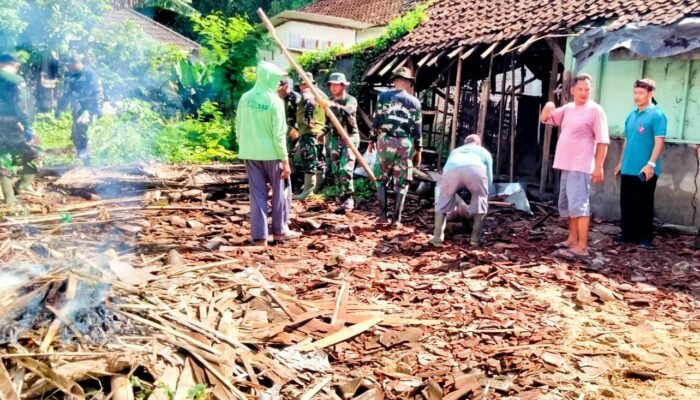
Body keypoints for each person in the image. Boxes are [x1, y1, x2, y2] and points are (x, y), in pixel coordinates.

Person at [541, 73, 609, 258]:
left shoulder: (595, 110)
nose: (584, 92)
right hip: (566, 164)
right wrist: (548, 104)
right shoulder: (569, 108)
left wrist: (599, 166)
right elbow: (545, 119)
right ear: (572, 90)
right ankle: (571, 239)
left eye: (587, 89)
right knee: (570, 205)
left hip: (581, 165)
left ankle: (582, 246)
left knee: (580, 206)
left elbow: (603, 141)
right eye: (580, 89)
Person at [235, 61, 301, 246]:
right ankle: (280, 232)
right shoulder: (274, 101)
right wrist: (285, 161)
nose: (278, 82)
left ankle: (260, 238)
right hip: (273, 155)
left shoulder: (245, 98)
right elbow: (279, 135)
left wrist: (245, 146)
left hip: (251, 153)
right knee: (281, 193)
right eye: (276, 78)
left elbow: (238, 126)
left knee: (257, 195)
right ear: (269, 78)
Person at [613, 79, 666, 249]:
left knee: (643, 203)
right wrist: (621, 162)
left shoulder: (657, 115)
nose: (637, 96)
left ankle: (645, 238)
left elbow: (659, 142)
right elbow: (628, 141)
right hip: (628, 167)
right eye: (635, 93)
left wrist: (651, 164)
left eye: (641, 93)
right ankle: (628, 235)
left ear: (651, 93)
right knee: (626, 202)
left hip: (645, 169)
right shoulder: (632, 115)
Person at [369, 67, 422, 227]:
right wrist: (419, 149)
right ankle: (396, 220)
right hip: (404, 143)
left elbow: (377, 120)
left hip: (385, 141)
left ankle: (382, 216)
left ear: (394, 81)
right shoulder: (415, 102)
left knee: (381, 178)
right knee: (402, 181)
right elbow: (417, 128)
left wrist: (372, 140)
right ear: (408, 83)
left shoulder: (384, 97)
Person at [430, 134, 493, 246]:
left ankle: (437, 239)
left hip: (451, 171)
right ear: (478, 143)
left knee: (443, 202)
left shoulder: (455, 151)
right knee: (480, 202)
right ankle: (475, 240)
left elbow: (450, 168)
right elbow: (489, 177)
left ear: (465, 143)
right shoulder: (484, 152)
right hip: (475, 170)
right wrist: (485, 192)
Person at [0, 53, 40, 205]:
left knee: (3, 158)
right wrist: (27, 126)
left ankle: (9, 200)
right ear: (15, 65)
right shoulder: (16, 80)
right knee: (35, 154)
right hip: (11, 124)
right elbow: (21, 106)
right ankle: (22, 186)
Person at [55, 54, 104, 165]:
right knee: (76, 134)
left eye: (69, 65)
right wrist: (60, 108)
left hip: (90, 109)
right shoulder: (70, 76)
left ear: (76, 63)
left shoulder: (91, 75)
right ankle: (83, 159)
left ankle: (92, 160)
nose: (67, 67)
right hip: (77, 110)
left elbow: (98, 94)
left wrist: (93, 111)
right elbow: (66, 94)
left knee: (85, 130)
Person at [325, 72, 361, 213]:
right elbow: (328, 122)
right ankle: (341, 198)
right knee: (335, 169)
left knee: (345, 169)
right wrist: (323, 132)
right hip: (335, 138)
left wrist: (331, 105)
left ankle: (348, 198)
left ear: (342, 86)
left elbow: (348, 111)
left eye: (336, 84)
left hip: (349, 137)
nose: (333, 87)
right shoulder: (329, 100)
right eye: (331, 85)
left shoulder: (350, 100)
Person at [293, 73, 326, 200]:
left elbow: (310, 102)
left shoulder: (308, 93)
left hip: (309, 131)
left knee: (309, 159)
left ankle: (308, 191)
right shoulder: (321, 94)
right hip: (319, 131)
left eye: (304, 84)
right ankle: (317, 189)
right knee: (319, 158)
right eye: (301, 85)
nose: (302, 87)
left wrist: (308, 118)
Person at [278, 76, 301, 172]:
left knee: (288, 151)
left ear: (285, 86)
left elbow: (301, 114)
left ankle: (291, 174)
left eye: (279, 86)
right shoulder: (278, 97)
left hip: (294, 128)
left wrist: (296, 129)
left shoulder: (295, 97)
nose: (277, 89)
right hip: (282, 127)